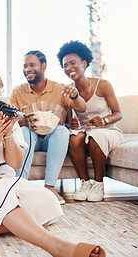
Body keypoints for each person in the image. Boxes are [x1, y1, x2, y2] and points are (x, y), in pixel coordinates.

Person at [0, 56, 105, 257]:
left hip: (5, 181)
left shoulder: (3, 117)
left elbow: (15, 163)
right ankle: (57, 247)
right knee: (1, 198)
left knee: (48, 200)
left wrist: (7, 134)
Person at [9, 50, 86, 204]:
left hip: (52, 139)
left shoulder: (59, 88)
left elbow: (82, 108)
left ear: (43, 66)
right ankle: (20, 186)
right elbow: (12, 120)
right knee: (24, 131)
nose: (27, 69)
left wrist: (75, 96)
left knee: (62, 130)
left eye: (32, 65)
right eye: (24, 66)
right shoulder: (18, 91)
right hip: (30, 137)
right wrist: (22, 119)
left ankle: (49, 187)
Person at [57, 40, 124, 202]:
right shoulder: (68, 90)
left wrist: (104, 119)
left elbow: (118, 113)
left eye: (72, 63)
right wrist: (68, 124)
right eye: (65, 65)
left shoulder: (103, 85)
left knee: (97, 135)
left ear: (84, 63)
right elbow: (66, 119)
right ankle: (85, 183)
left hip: (108, 132)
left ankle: (99, 184)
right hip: (84, 134)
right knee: (74, 137)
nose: (68, 68)